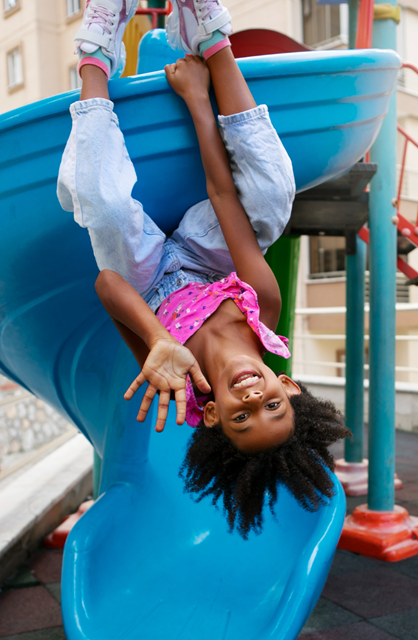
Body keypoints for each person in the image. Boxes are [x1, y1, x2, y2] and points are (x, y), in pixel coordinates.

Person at [58, 0, 349, 537]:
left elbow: (108, 283)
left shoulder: (171, 381)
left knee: (101, 206)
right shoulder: (263, 310)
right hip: (202, 252)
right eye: (272, 406)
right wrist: (198, 99)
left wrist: (158, 338)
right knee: (273, 197)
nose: (252, 398)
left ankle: (95, 58)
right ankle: (213, 39)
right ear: (287, 386)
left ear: (214, 417)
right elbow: (223, 196)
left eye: (242, 416)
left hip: (144, 276)